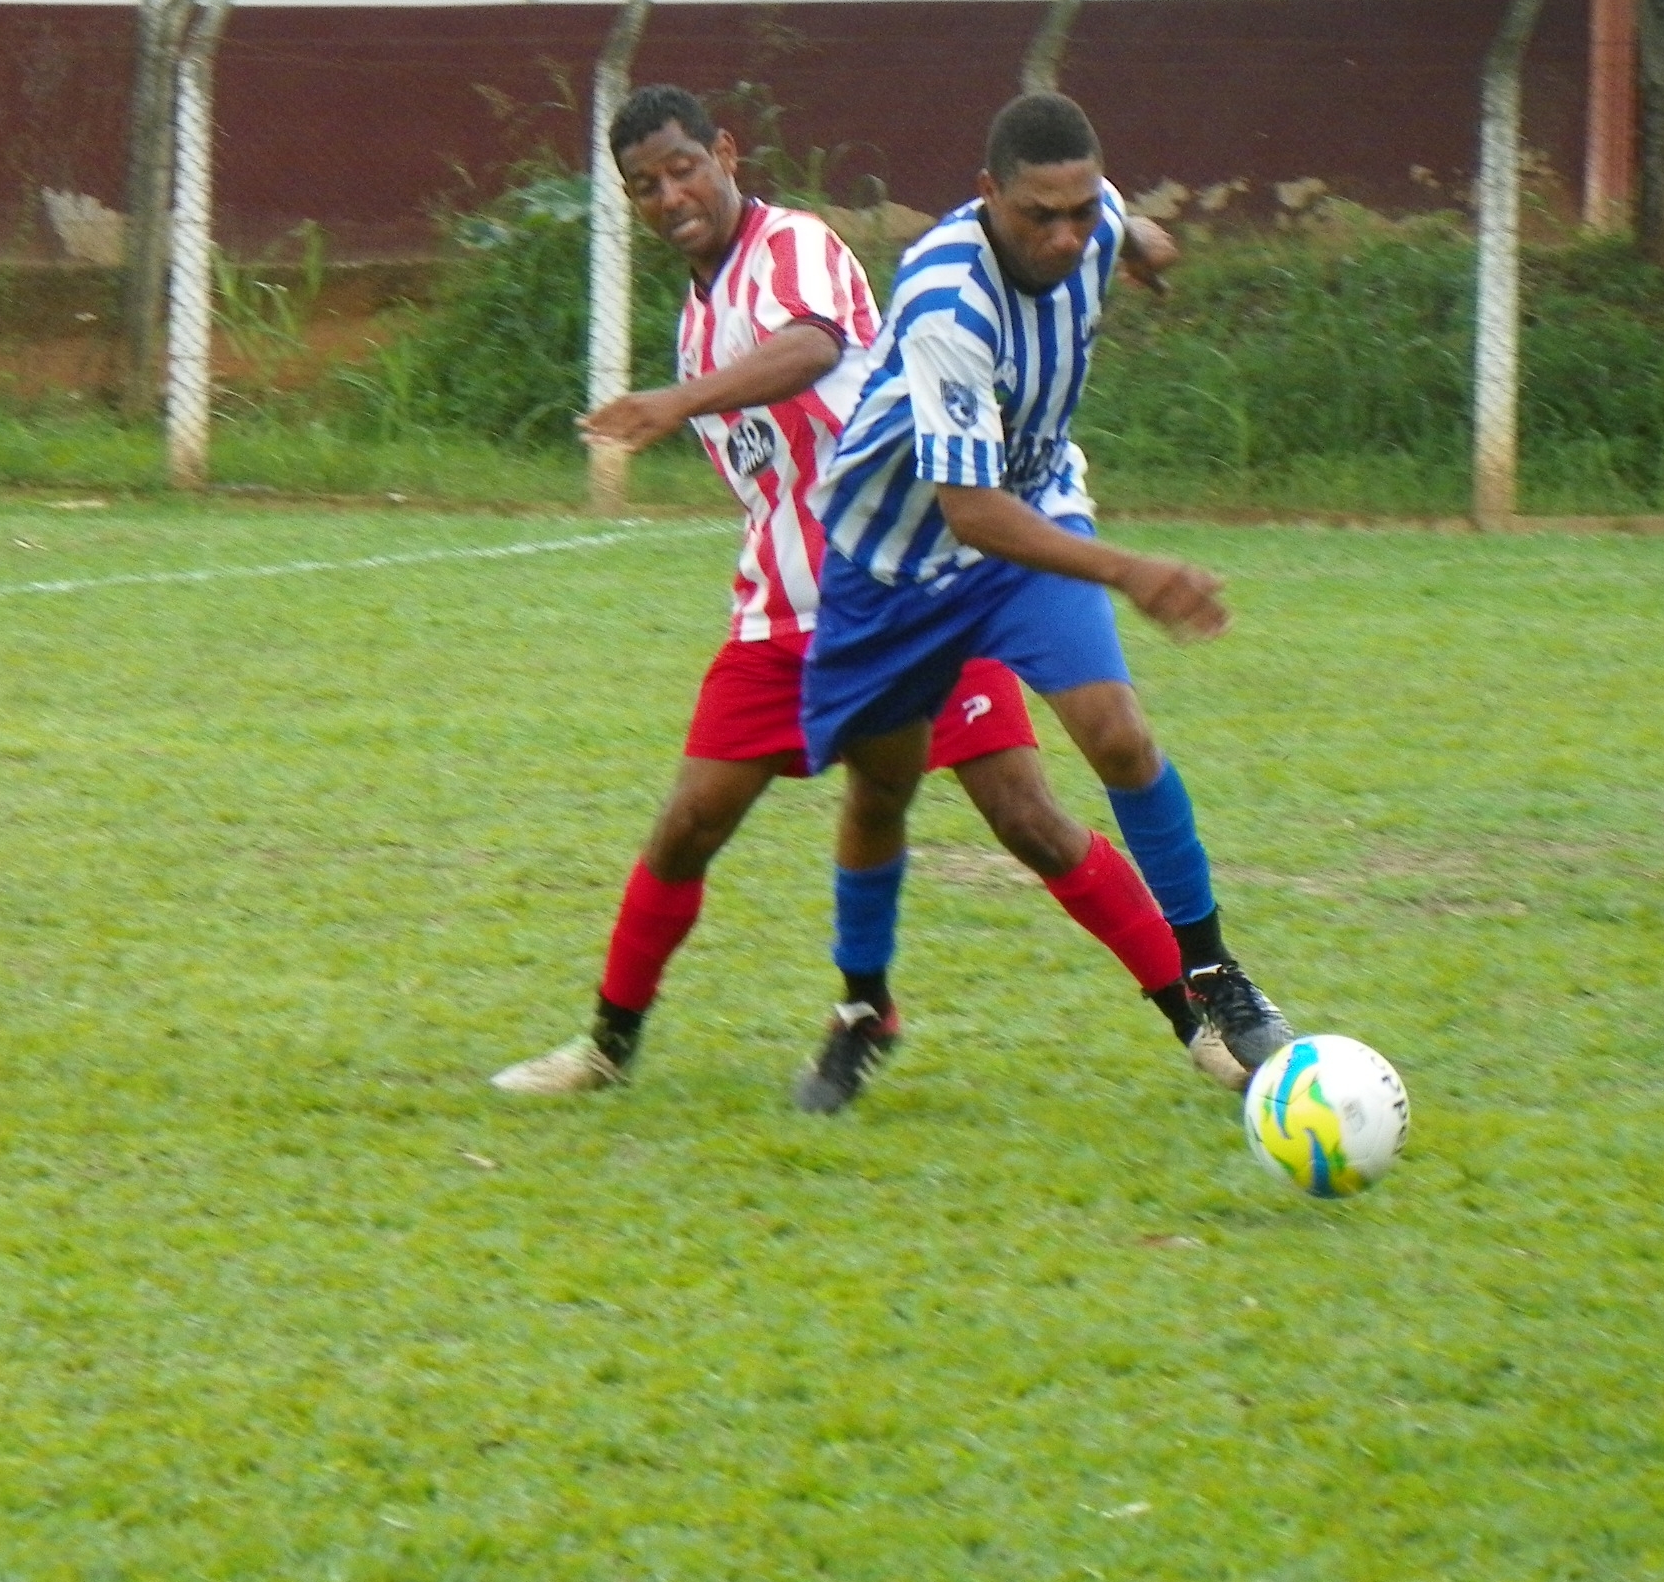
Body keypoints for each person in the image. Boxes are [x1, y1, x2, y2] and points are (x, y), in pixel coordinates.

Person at [493, 85, 1225, 1103]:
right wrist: (1130, 233)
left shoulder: (791, 246)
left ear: (726, 154)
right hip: (782, 610)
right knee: (690, 824)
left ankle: (1206, 1022)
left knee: (1028, 818)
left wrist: (677, 402)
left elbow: (815, 343)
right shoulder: (697, 323)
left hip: (913, 585)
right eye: (645, 185)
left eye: (683, 168)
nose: (671, 195)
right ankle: (612, 1047)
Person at [793, 89, 1295, 1112]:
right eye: (1039, 217)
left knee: (1118, 737)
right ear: (988, 194)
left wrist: (1139, 241)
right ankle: (863, 1009)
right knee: (881, 791)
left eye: (1080, 213)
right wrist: (1133, 569)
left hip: (1029, 515)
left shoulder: (1089, 216)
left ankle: (1213, 974)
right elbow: (967, 511)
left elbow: (1114, 217)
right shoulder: (948, 299)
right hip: (895, 558)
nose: (1065, 237)